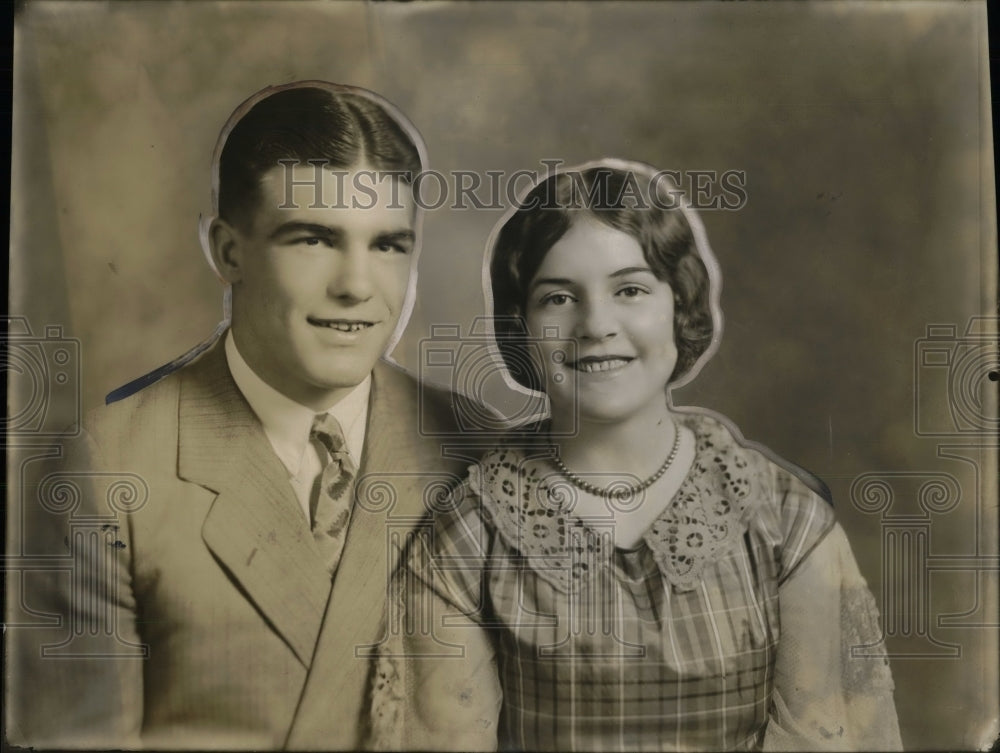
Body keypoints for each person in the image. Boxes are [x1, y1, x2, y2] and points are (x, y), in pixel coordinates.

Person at [11, 81, 486, 750]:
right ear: (227, 250)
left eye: (388, 245)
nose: (356, 285)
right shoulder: (104, 468)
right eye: (313, 239)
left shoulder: (482, 453)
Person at [368, 160, 903, 751]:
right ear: (521, 328)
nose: (596, 324)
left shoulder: (787, 522)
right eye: (558, 298)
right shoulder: (468, 538)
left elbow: (831, 735)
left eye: (630, 290)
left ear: (680, 306)